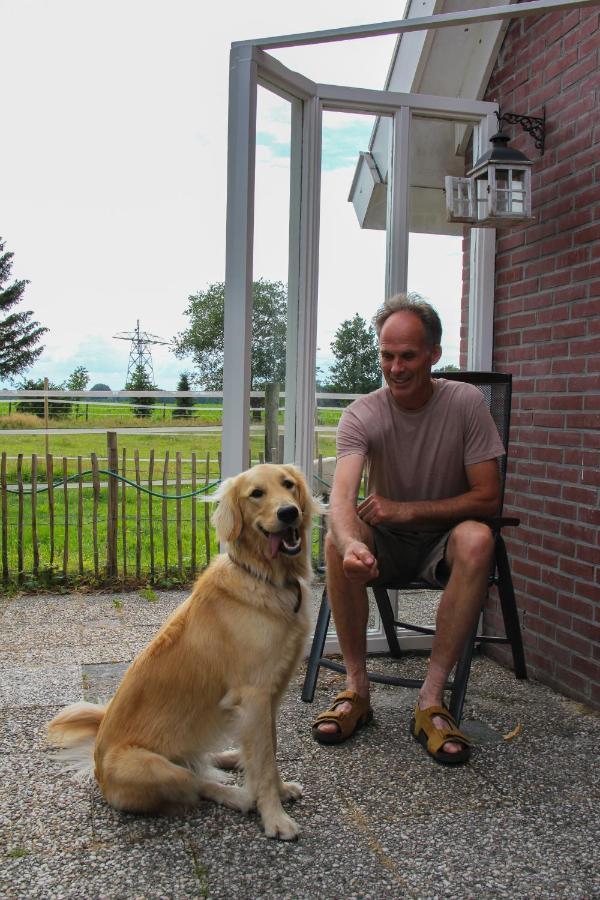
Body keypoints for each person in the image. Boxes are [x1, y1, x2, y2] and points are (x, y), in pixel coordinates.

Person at [312, 294, 505, 764]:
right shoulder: (363, 413)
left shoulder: (465, 403)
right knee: (336, 538)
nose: (395, 368)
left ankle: (431, 699)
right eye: (386, 355)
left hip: (446, 539)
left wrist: (406, 510)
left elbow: (488, 497)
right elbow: (341, 499)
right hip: (387, 545)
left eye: (408, 356)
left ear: (434, 355)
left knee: (480, 537)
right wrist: (354, 544)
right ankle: (356, 689)